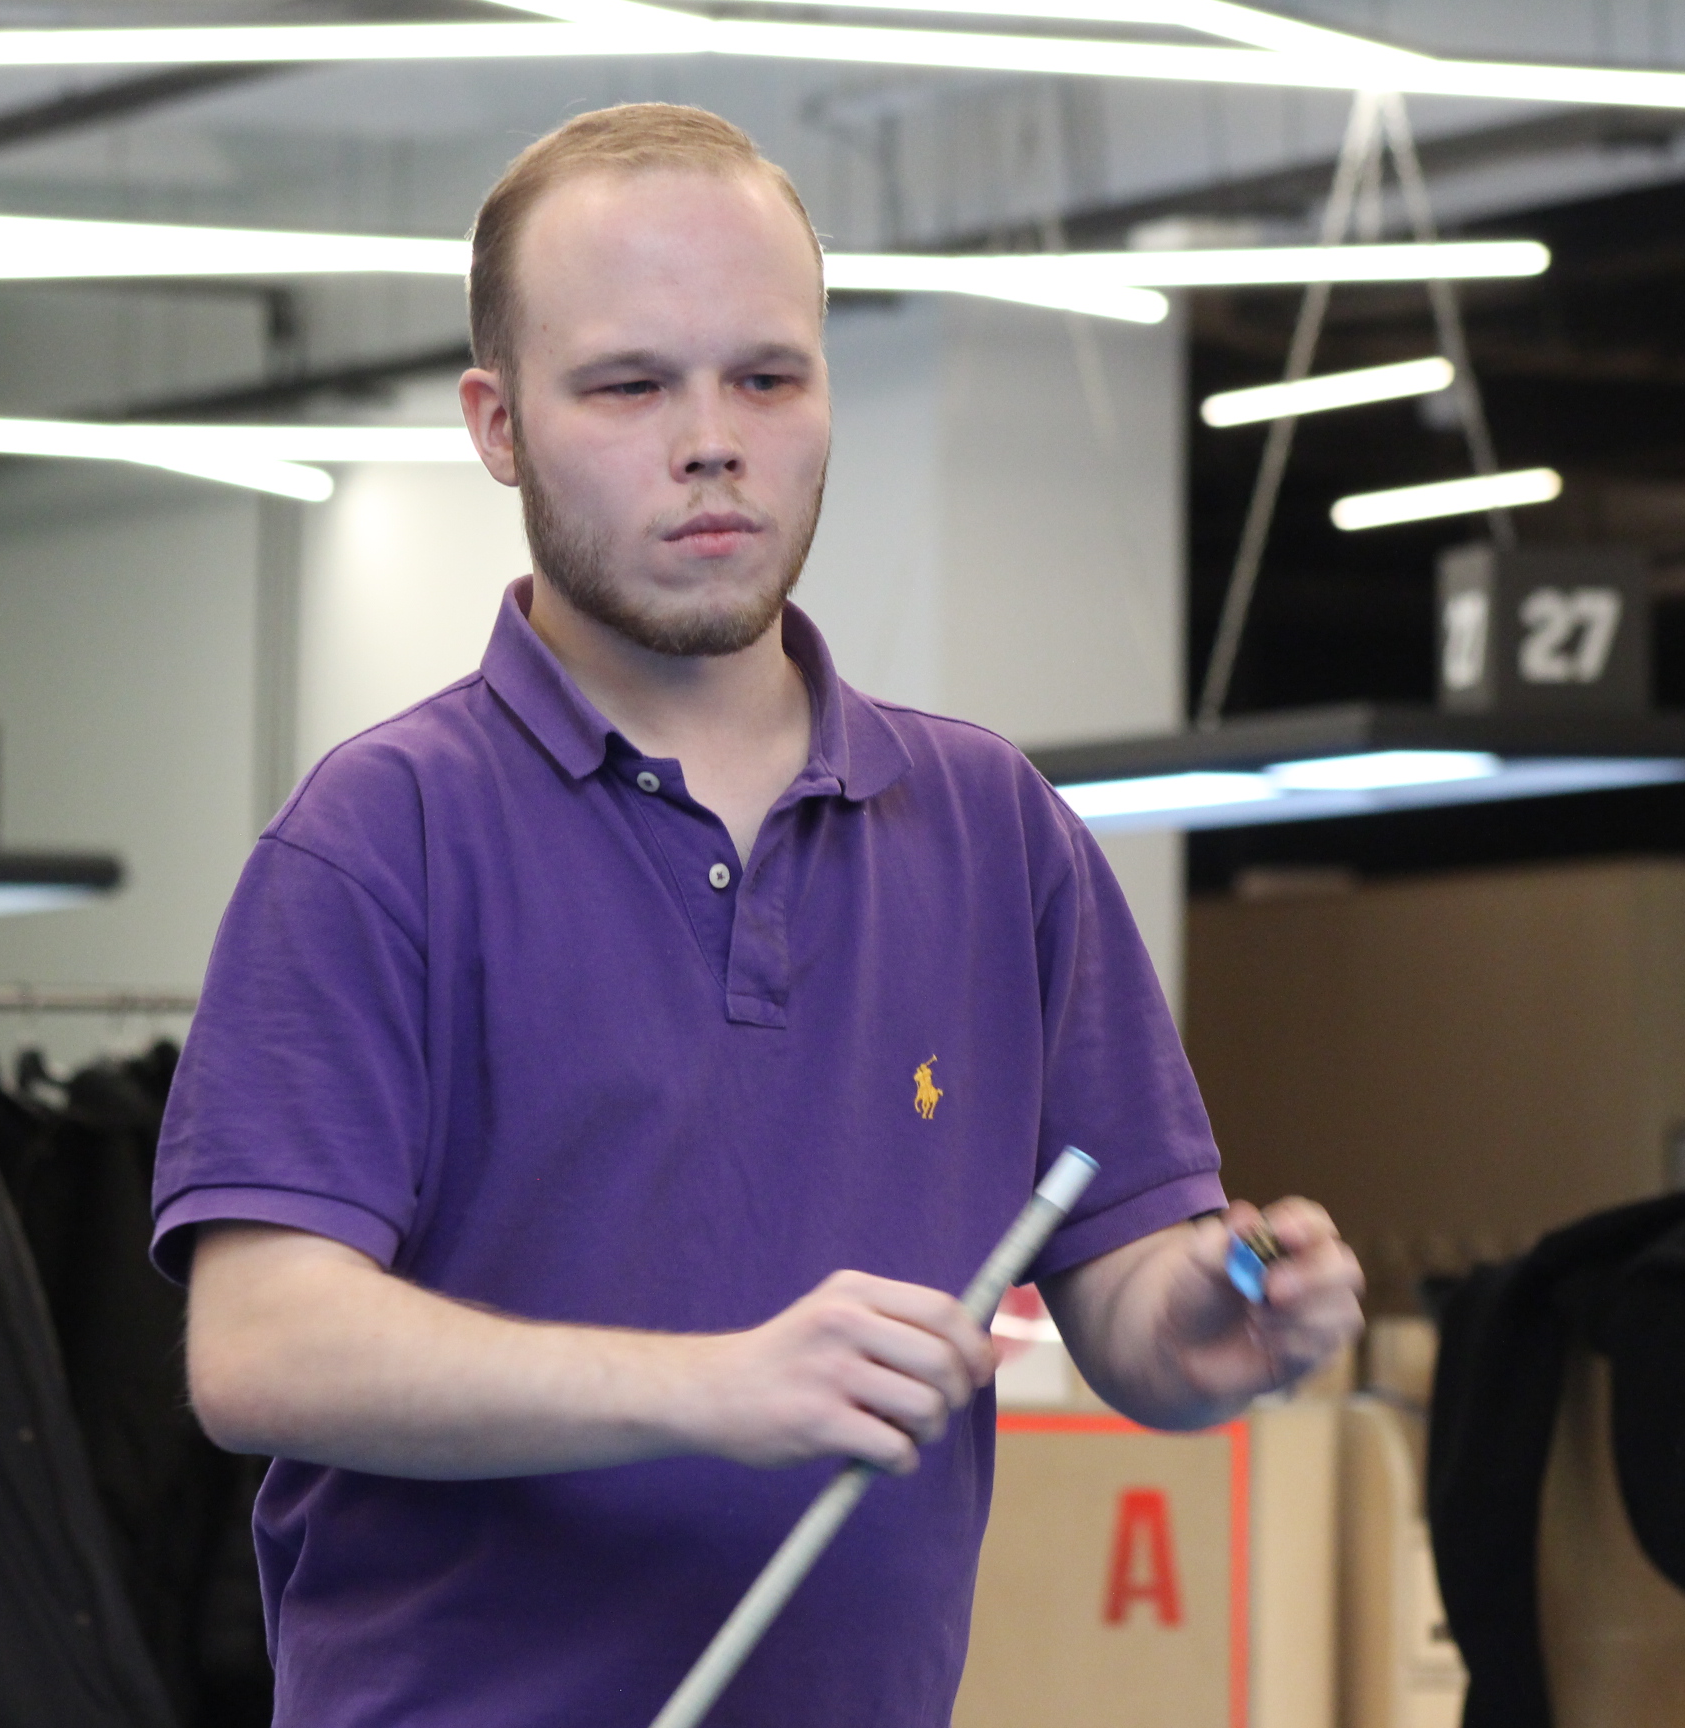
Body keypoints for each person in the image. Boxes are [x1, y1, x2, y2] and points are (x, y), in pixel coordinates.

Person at [152, 102, 1364, 1728]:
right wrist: (715, 1389)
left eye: (769, 378)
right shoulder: (382, 836)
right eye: (629, 385)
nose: (711, 440)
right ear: (498, 425)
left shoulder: (994, 828)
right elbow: (261, 1347)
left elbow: (1141, 1314)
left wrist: (1229, 1317)